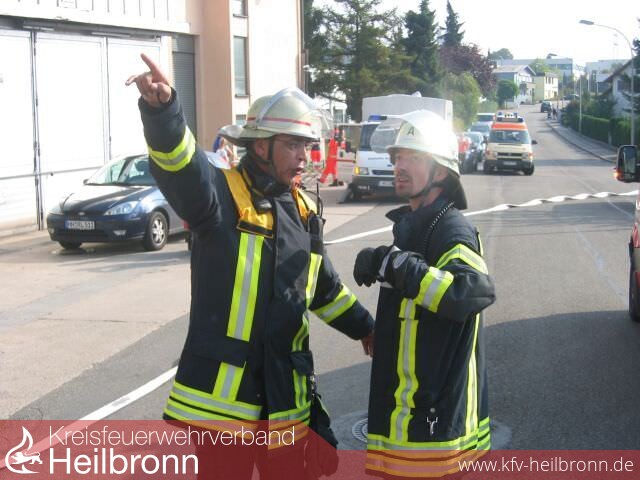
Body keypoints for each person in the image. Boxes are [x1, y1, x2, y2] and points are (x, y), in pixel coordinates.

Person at [126, 53, 374, 479]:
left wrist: (366, 328)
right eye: (292, 145)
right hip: (223, 409)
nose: (304, 156)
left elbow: (323, 288)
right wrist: (163, 112)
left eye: (306, 145)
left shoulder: (303, 210)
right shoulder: (219, 196)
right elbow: (182, 168)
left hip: (285, 403)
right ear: (260, 146)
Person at [352, 110, 496, 478]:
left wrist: (398, 265)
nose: (399, 166)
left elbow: (467, 293)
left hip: (434, 432)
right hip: (410, 423)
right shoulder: (415, 227)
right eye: (397, 157)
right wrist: (387, 261)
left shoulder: (451, 231)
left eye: (413, 157)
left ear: (441, 172)